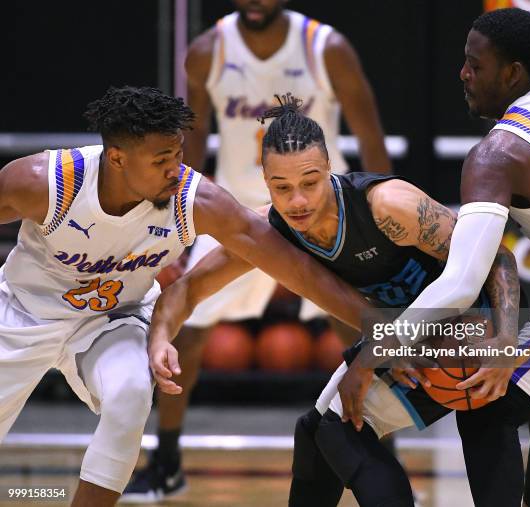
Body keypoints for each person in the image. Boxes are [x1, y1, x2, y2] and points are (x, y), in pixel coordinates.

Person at [0, 86, 373, 507]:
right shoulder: (44, 183)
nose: (176, 169)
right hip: (21, 313)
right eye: (162, 161)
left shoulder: (194, 200)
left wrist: (385, 326)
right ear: (118, 158)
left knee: (131, 392)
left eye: (178, 154)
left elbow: (297, 268)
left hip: (112, 320)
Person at [144, 97, 520, 507]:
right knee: (323, 432)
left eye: (310, 182)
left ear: (329, 169)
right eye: (282, 188)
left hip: (468, 329)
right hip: (397, 338)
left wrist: (504, 340)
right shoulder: (271, 230)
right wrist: (161, 334)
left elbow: (497, 255)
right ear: (265, 180)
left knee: (481, 419)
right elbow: (187, 288)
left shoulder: (387, 205)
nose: (298, 201)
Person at [339, 8, 530, 507]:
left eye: (475, 65)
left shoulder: (497, 155)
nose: (463, 74)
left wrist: (373, 348)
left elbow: (461, 285)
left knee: (484, 398)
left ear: (512, 73)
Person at [124, 0, 392, 500]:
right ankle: (167, 461)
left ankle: (383, 459)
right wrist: (177, 222)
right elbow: (195, 139)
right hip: (237, 211)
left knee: (357, 327)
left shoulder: (326, 49)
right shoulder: (207, 52)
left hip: (316, 206)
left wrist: (377, 217)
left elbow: (370, 138)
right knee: (189, 327)